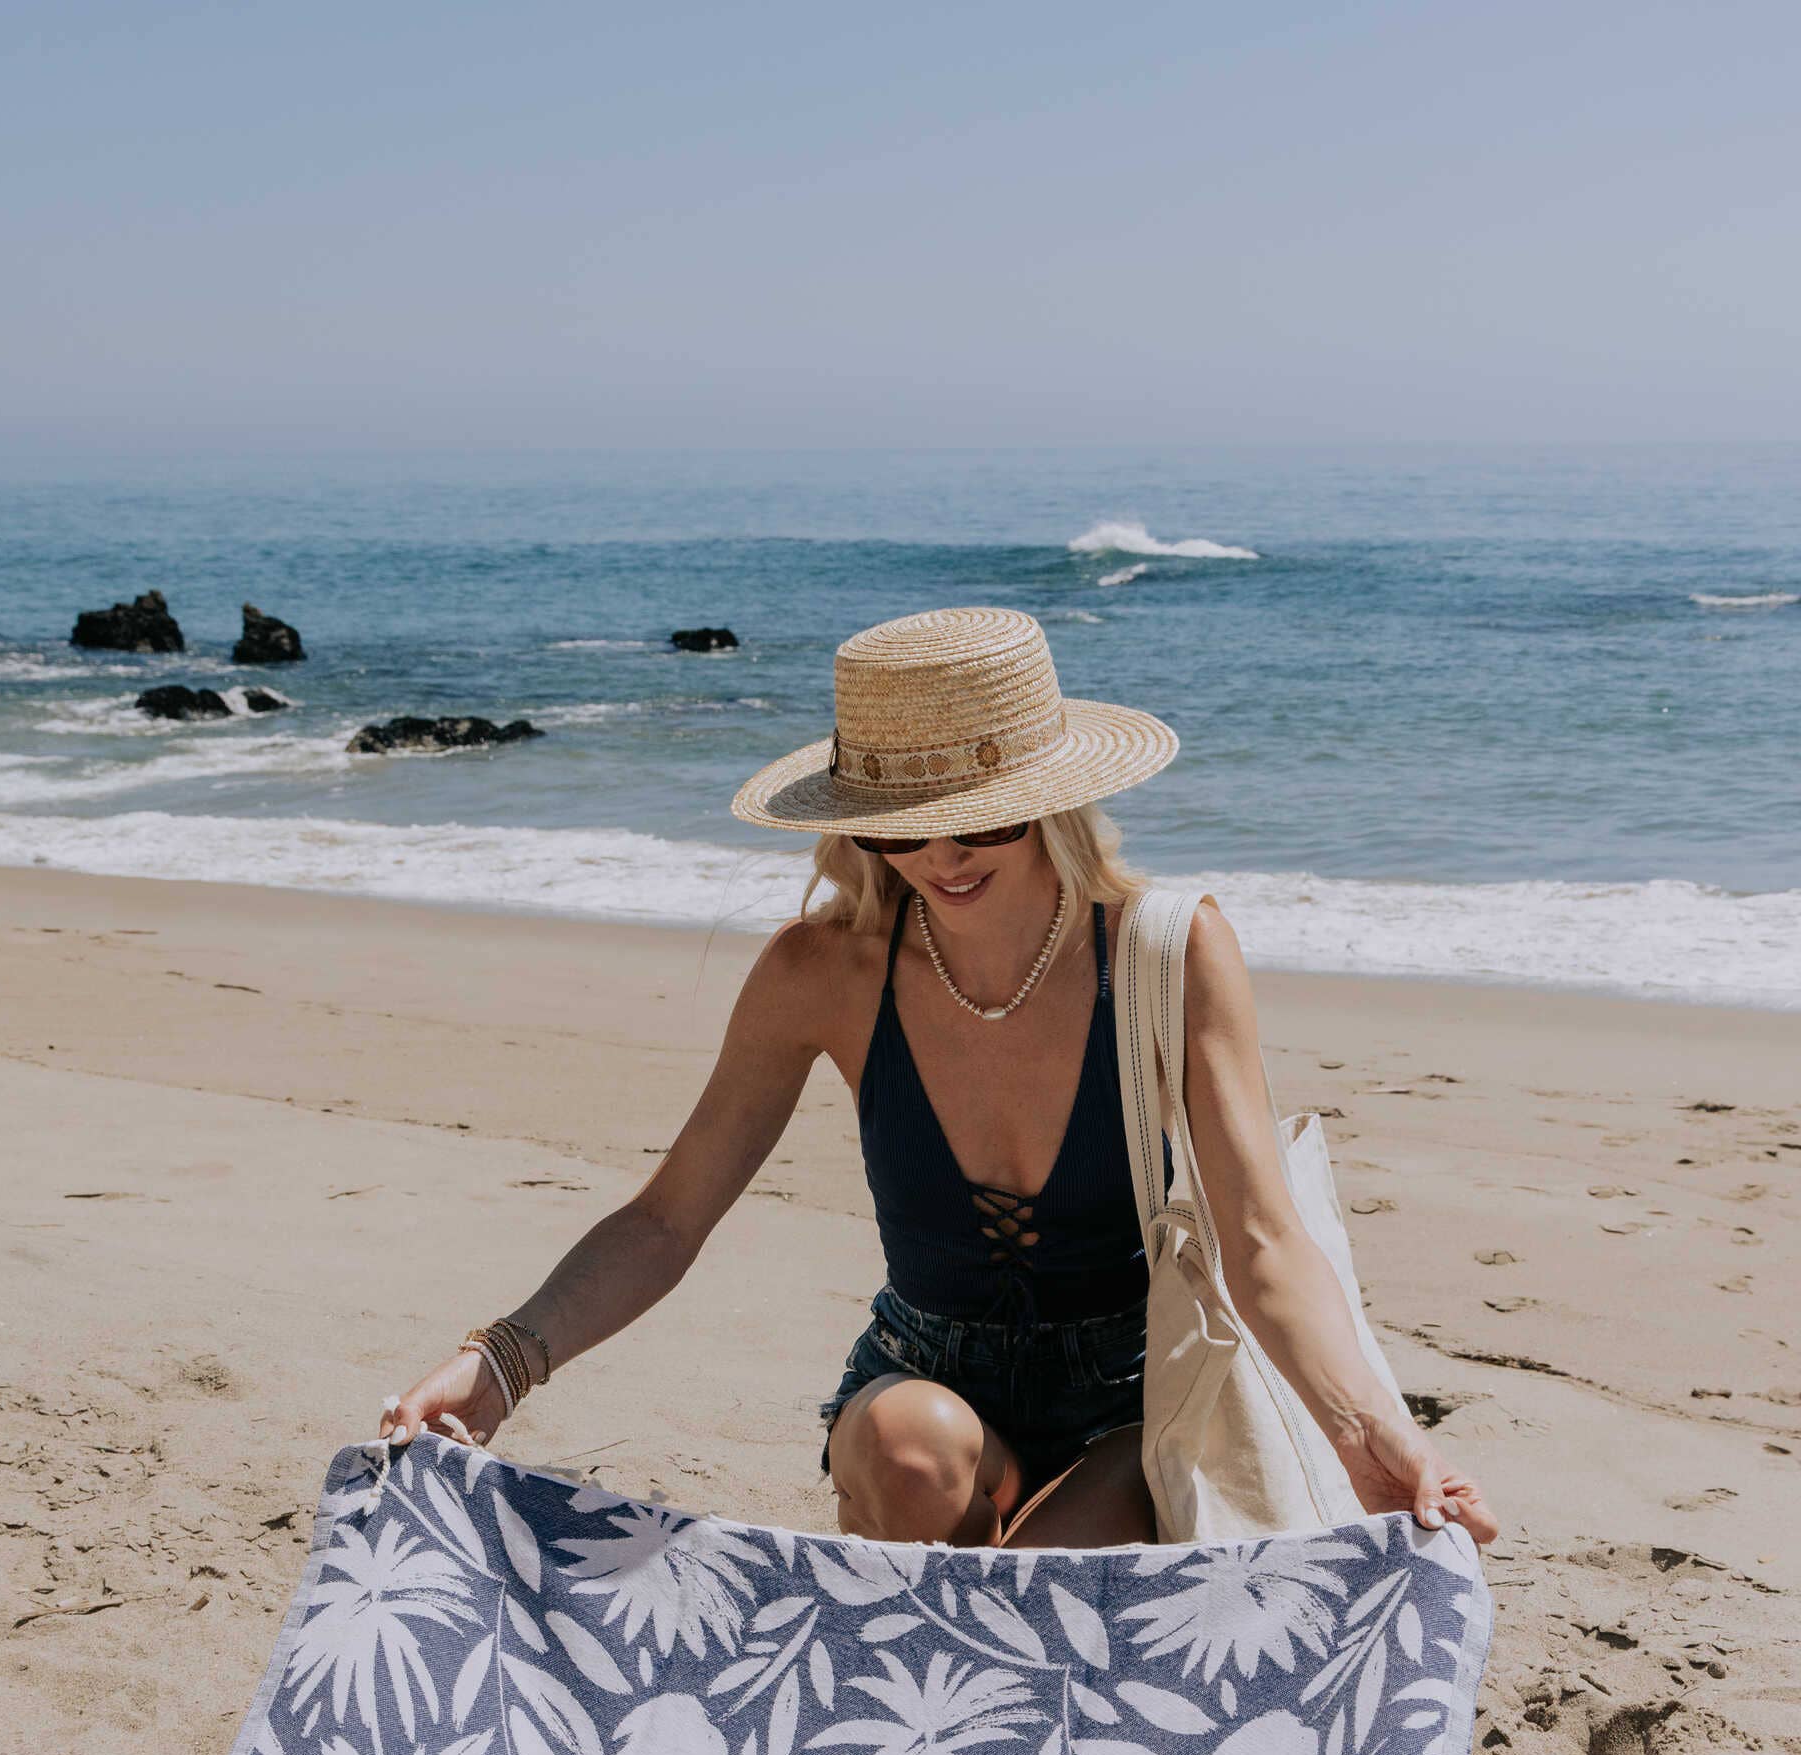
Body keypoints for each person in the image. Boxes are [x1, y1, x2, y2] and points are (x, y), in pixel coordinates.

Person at [383, 607, 1497, 1551]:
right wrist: (501, 1362)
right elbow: (668, 1217)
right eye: (899, 829)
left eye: (980, 818)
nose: (941, 858)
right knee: (910, 1448)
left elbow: (1259, 1238)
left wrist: (1372, 1436)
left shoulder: (1165, 952)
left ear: (1051, 794)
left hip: (1135, 1400)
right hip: (921, 1386)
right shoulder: (822, 972)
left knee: (1043, 1596)